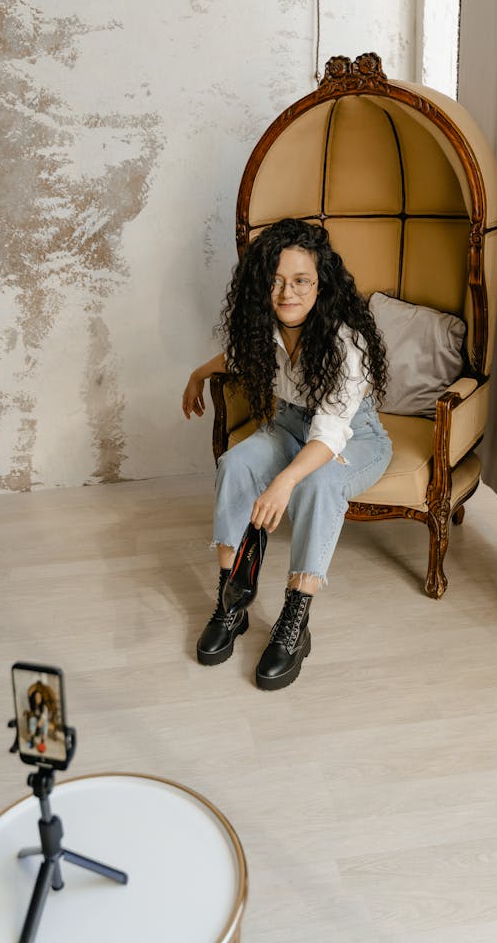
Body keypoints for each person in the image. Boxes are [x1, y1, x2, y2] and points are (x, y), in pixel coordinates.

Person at [182, 218, 392, 691]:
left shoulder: (346, 341)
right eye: (275, 281)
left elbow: (332, 432)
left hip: (355, 437)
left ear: (321, 284)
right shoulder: (264, 327)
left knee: (319, 482)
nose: (287, 293)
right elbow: (234, 356)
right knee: (234, 463)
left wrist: (283, 482)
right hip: (290, 424)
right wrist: (197, 373)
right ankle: (231, 603)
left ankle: (295, 619)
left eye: (300, 281)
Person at [27, 687, 49, 753]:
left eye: (39, 697)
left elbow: (44, 716)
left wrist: (41, 721)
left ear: (41, 698)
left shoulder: (44, 706)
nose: (37, 699)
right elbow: (33, 714)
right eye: (36, 697)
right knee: (32, 719)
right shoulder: (33, 706)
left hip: (43, 720)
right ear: (33, 698)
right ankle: (32, 738)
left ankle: (42, 741)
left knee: (45, 723)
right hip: (36, 720)